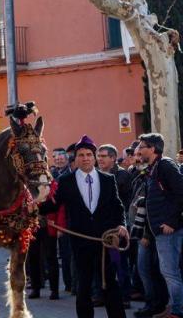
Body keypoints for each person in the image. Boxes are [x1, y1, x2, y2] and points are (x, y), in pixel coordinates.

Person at [39, 135, 128, 318]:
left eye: (89, 154)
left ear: (94, 157)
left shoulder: (108, 180)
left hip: (105, 241)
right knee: (84, 285)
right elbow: (53, 205)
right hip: (80, 241)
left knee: (110, 283)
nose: (85, 158)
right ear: (76, 158)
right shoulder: (66, 182)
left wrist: (121, 224)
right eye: (81, 155)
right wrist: (35, 206)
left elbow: (117, 206)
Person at [134, 133, 183, 318]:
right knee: (165, 272)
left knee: (170, 272)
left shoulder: (165, 165)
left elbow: (181, 192)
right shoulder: (153, 168)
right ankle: (172, 308)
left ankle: (178, 311)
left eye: (142, 146)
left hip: (169, 230)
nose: (139, 150)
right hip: (157, 231)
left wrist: (171, 221)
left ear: (153, 148)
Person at [97, 144, 135, 308]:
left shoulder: (121, 176)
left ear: (113, 158)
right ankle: (101, 295)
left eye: (104, 156)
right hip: (100, 228)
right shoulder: (97, 175)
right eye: (98, 156)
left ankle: (125, 296)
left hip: (116, 228)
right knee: (101, 263)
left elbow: (119, 203)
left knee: (118, 262)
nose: (100, 159)